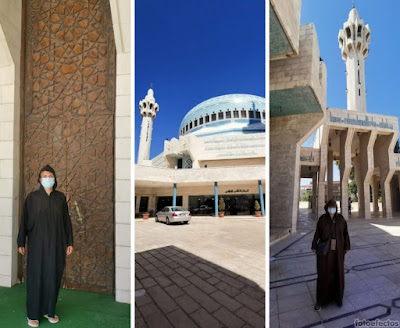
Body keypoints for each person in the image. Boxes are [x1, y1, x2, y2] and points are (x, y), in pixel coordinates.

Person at [17, 165, 73, 327]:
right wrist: (21, 242)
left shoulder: (60, 198)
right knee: (36, 277)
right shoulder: (32, 198)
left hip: (57, 244)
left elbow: (66, 221)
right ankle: (33, 314)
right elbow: (25, 221)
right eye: (44, 176)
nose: (47, 178)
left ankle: (49, 311)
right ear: (39, 179)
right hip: (37, 245)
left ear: (54, 178)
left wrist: (69, 242)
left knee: (52, 277)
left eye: (50, 175)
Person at [311, 199, 350, 311]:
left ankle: (337, 298)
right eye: (330, 207)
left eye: (334, 207)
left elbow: (346, 233)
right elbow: (317, 232)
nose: (332, 209)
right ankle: (321, 300)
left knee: (337, 272)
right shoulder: (322, 219)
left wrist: (347, 246)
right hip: (325, 252)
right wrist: (314, 245)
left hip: (338, 252)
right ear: (327, 208)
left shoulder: (341, 219)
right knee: (324, 273)